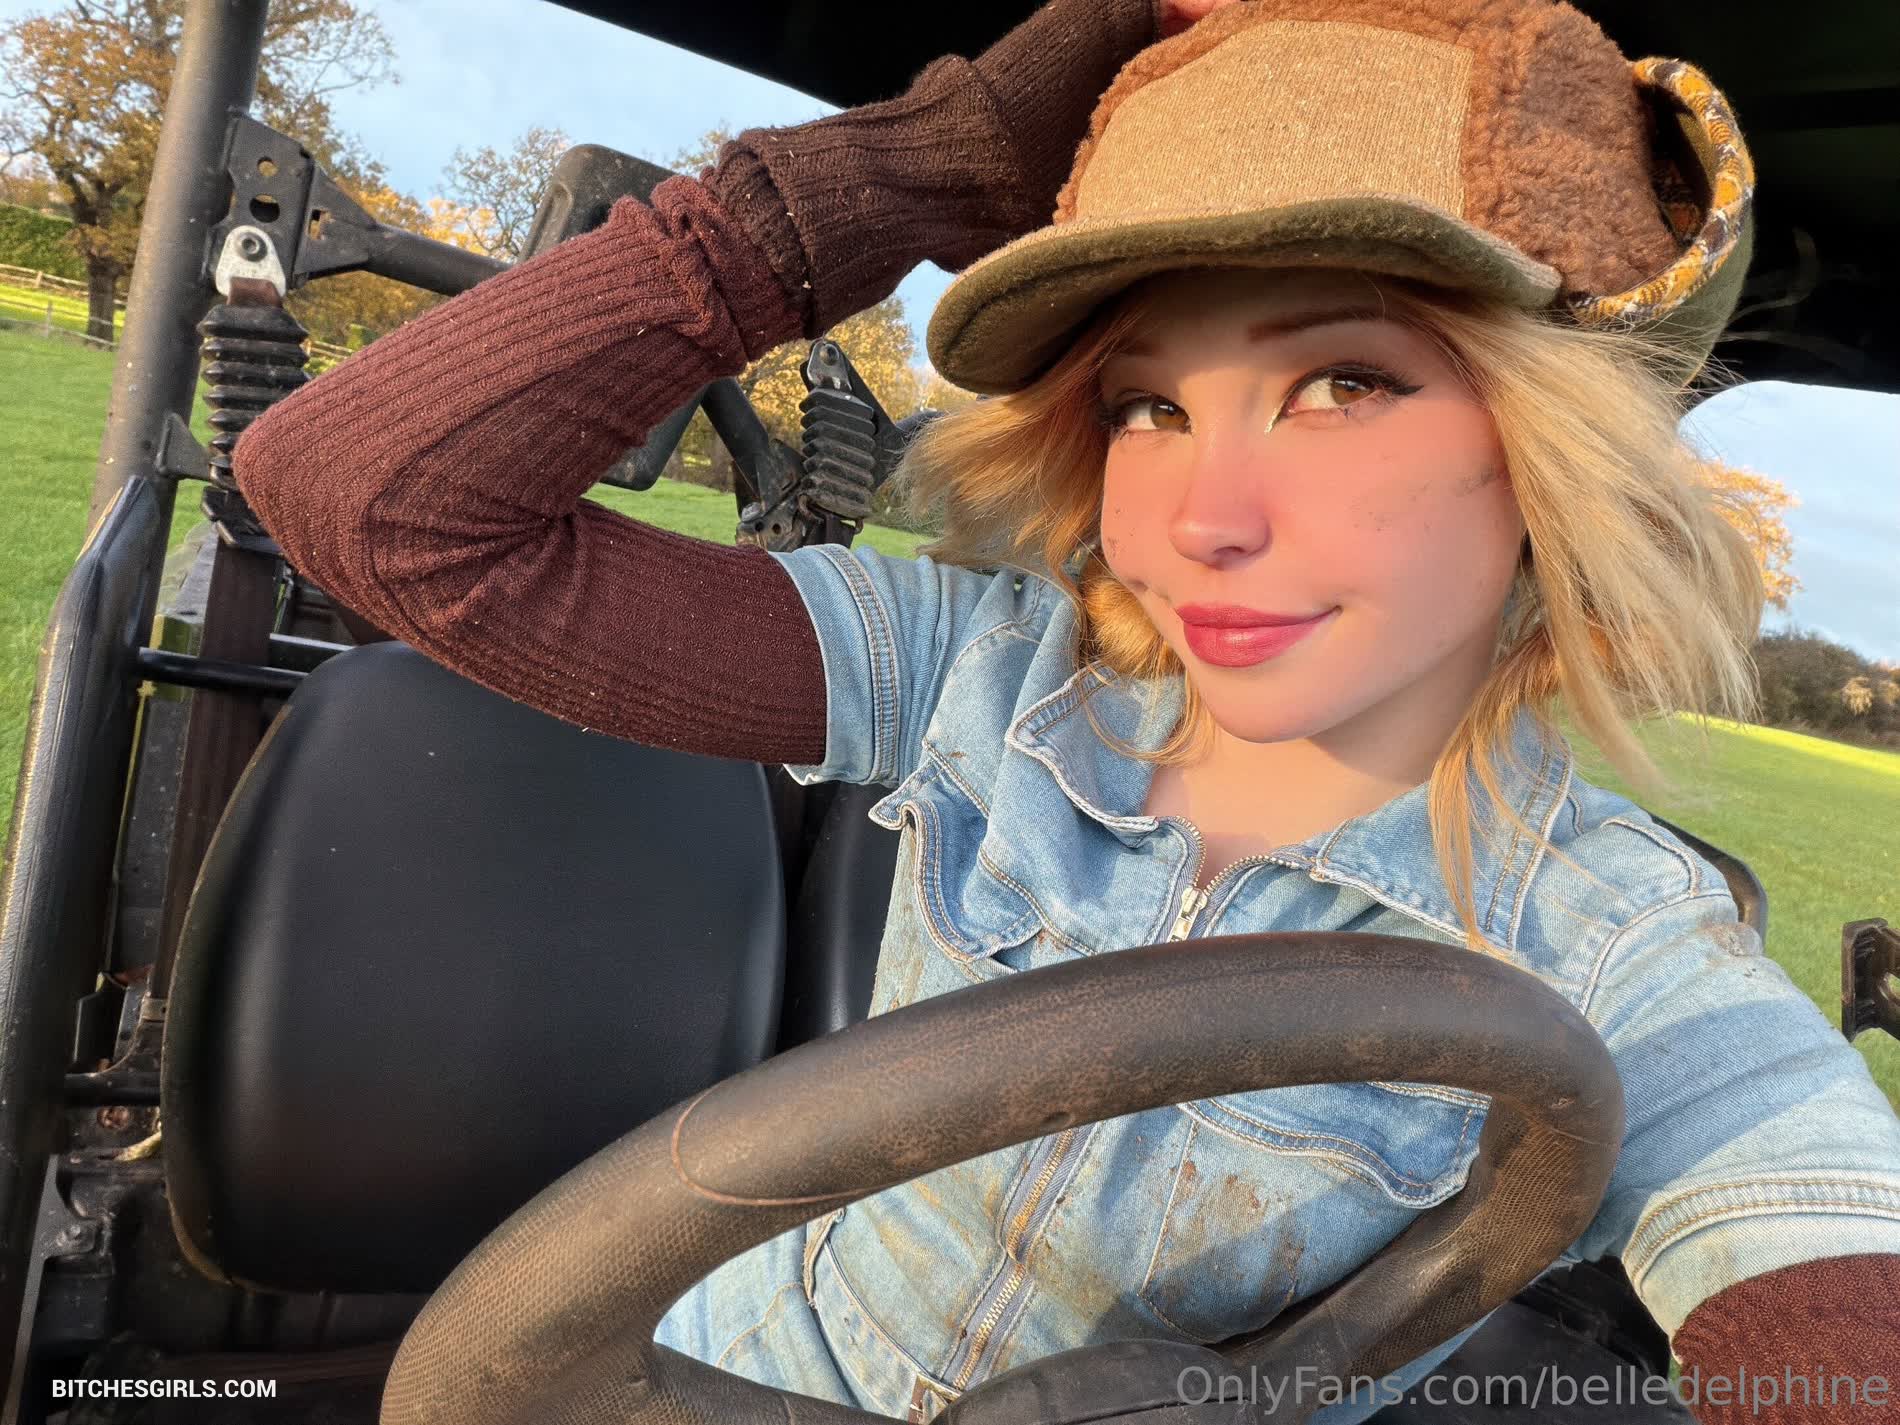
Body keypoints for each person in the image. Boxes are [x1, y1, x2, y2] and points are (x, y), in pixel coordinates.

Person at [232, 0, 1900, 1419]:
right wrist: (927, 162)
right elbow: (366, 501)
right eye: (1149, 405)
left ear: (1548, 453)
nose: (1202, 520)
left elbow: (1823, 1261)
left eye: (1343, 383)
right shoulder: (979, 668)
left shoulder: (1618, 955)